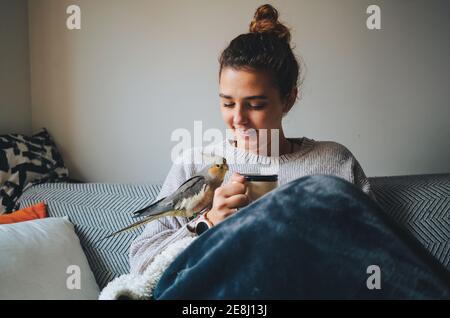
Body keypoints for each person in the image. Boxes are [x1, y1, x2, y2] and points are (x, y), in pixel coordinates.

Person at [129, 4, 450, 299]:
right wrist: (206, 224)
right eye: (227, 103)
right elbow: (142, 263)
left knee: (322, 191)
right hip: (223, 297)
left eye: (255, 104)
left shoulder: (333, 160)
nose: (237, 119)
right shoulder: (195, 164)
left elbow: (374, 253)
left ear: (288, 99)